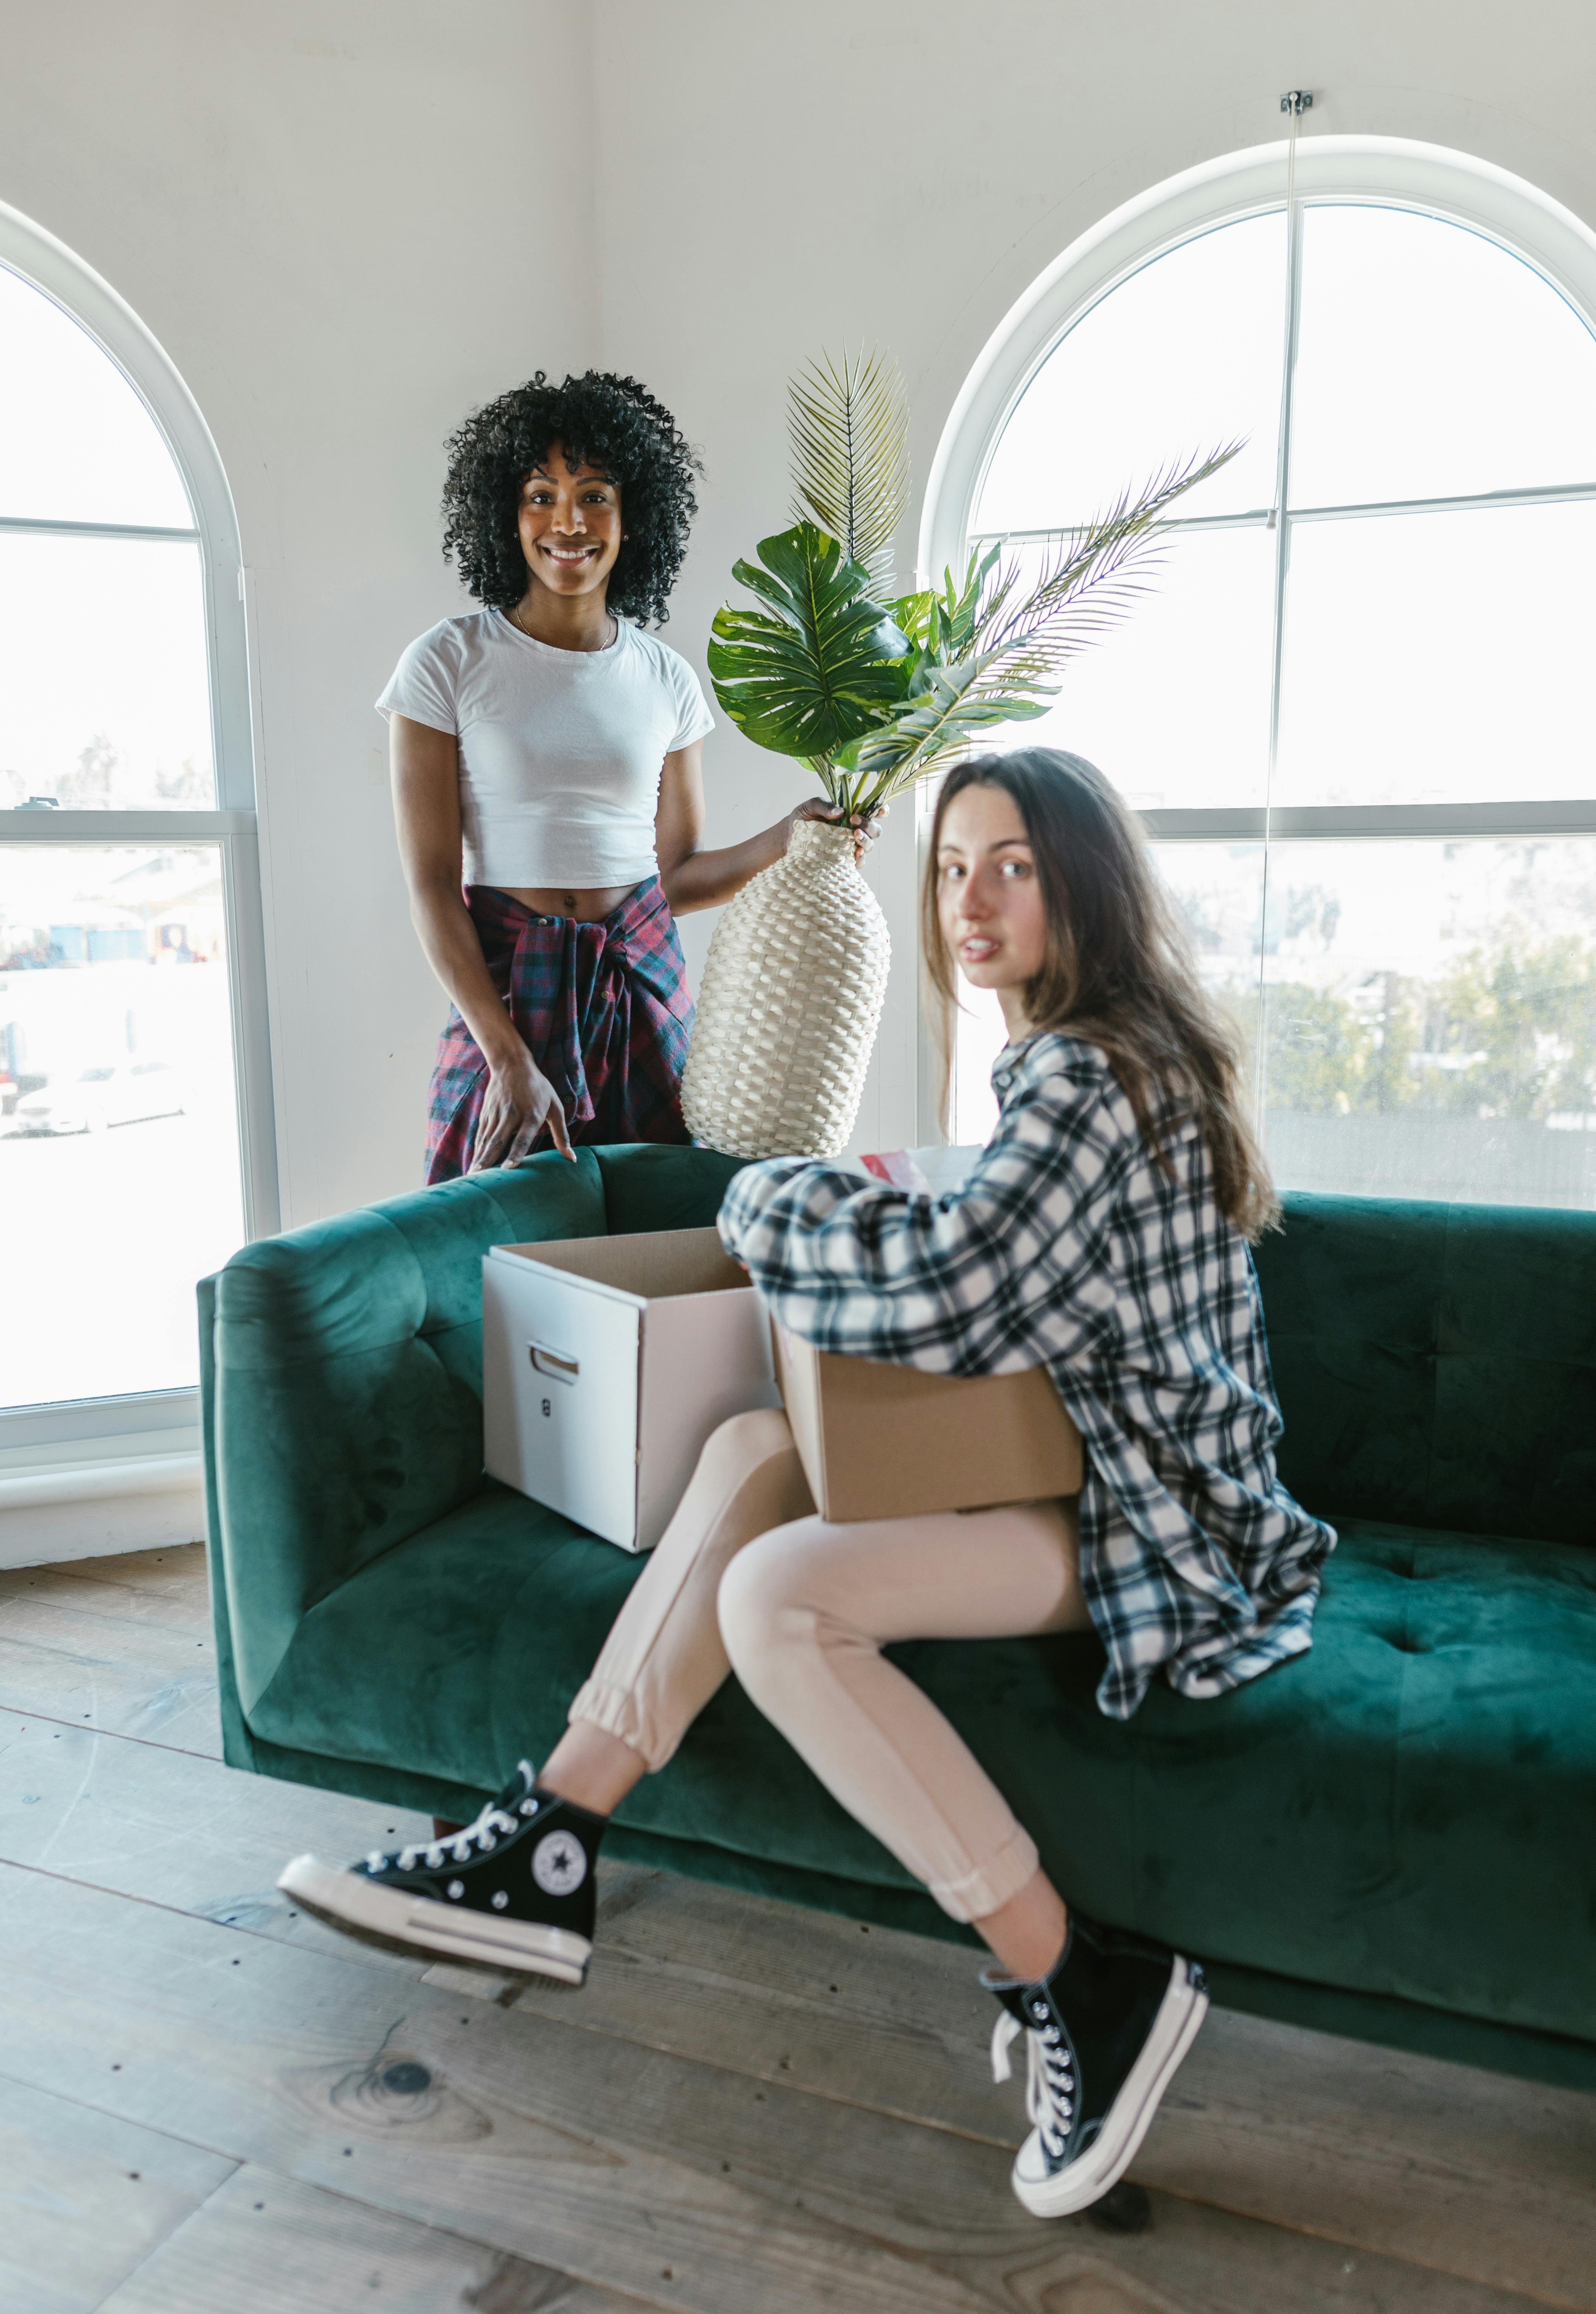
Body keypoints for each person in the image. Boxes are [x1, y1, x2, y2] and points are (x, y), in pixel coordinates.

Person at [282, 746, 1334, 2220]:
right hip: (1089, 1453)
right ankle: (553, 1834)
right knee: (748, 1448)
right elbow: (1007, 1274)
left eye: (1014, 863)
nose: (972, 898)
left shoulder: (1091, 1070)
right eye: (955, 863)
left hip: (1146, 1519)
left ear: (1083, 880)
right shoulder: (1100, 1053)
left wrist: (773, 1192)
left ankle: (1086, 1980)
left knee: (782, 1598)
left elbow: (959, 1299)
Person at [379, 369, 869, 1179]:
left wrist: (793, 838)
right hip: (506, 990)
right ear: (506, 512)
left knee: (659, 1240)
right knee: (490, 1246)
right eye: (542, 495)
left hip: (643, 983)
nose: (567, 522)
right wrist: (504, 1057)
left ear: (634, 514)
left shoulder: (668, 679)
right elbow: (433, 885)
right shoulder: (447, 661)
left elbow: (673, 876)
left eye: (595, 495)